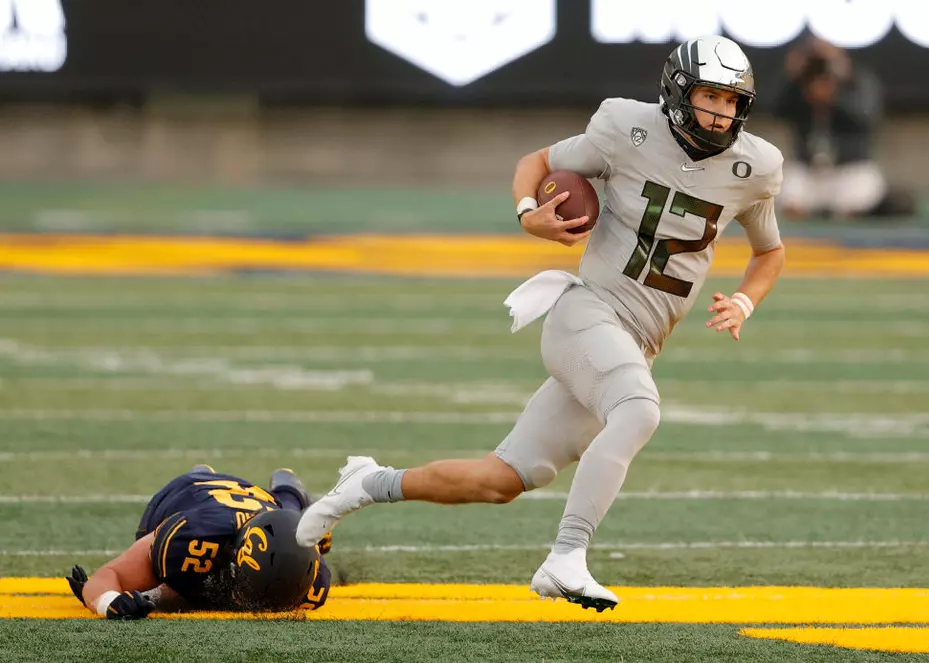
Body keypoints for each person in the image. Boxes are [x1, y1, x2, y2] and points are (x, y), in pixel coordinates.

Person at [297, 35, 786, 612]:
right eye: (710, 96)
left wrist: (746, 303)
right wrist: (529, 216)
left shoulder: (755, 166)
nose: (721, 112)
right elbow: (537, 163)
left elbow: (769, 252)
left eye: (732, 101)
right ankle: (567, 558)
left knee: (499, 479)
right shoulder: (624, 126)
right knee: (639, 410)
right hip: (587, 312)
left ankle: (365, 483)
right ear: (678, 92)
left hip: (635, 341)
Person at [66, 466, 332, 619]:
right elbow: (107, 576)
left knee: (293, 510)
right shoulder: (193, 538)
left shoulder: (313, 582)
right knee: (169, 582)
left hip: (263, 502)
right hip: (189, 492)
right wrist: (109, 601)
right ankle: (202, 471)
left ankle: (288, 485)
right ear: (235, 554)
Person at [774, 36, 914, 219]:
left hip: (849, 170)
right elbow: (775, 109)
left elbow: (866, 117)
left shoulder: (859, 81)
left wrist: (835, 97)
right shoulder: (799, 86)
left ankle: (846, 211)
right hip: (809, 171)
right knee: (788, 194)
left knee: (861, 194)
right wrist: (792, 77)